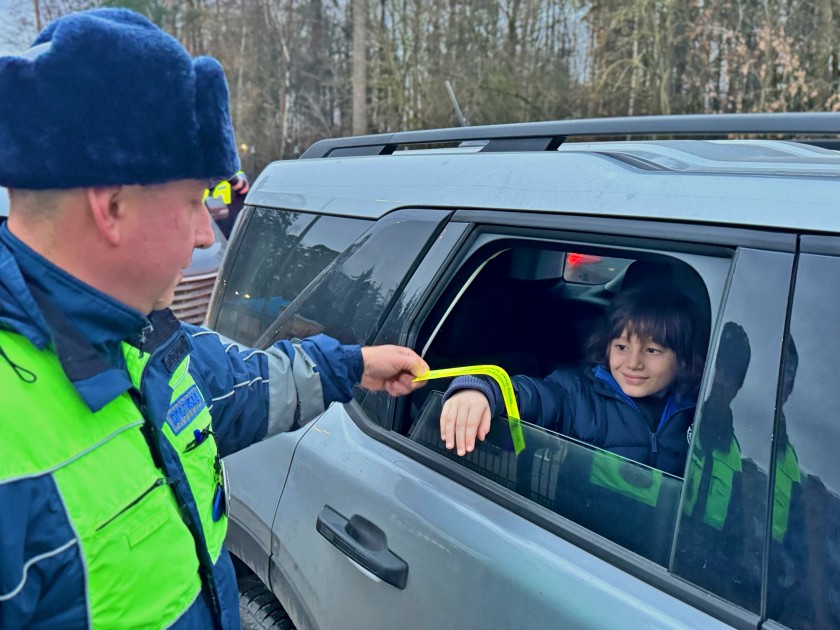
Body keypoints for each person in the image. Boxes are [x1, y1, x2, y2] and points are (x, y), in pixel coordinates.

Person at [0, 9, 427, 629]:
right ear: (112, 205)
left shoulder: (145, 339)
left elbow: (247, 386)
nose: (207, 232)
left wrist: (356, 364)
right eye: (196, 199)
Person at [440, 285, 706, 476]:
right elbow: (536, 395)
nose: (633, 363)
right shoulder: (578, 393)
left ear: (682, 359)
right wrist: (484, 390)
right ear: (607, 347)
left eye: (652, 351)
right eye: (621, 347)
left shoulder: (697, 410)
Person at [206, 170, 250, 238]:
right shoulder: (203, 183)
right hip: (216, 237)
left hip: (235, 235)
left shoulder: (237, 175)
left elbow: (243, 185)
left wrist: (228, 175)